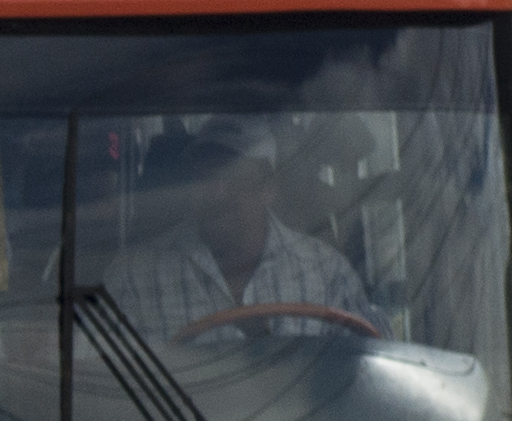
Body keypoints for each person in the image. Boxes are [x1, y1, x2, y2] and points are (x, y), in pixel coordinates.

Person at [116, 128, 374, 346]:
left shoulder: (326, 272)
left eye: (233, 180)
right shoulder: (136, 278)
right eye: (206, 179)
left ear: (268, 189)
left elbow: (370, 364)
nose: (218, 194)